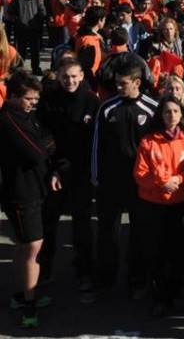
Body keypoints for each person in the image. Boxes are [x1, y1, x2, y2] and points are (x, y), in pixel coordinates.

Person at [90, 60, 159, 299]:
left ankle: (137, 279)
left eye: (123, 83)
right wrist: (96, 177)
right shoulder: (107, 108)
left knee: (139, 231)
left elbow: (159, 147)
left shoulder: (152, 108)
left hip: (140, 182)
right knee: (108, 232)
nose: (118, 87)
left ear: (137, 83)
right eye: (117, 83)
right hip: (111, 181)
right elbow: (97, 145)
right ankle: (105, 279)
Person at [133, 96, 184, 316]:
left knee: (178, 253)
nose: (171, 115)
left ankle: (177, 296)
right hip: (153, 205)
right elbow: (140, 174)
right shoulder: (148, 141)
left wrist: (178, 180)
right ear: (160, 115)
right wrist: (160, 184)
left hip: (180, 204)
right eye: (166, 112)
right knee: (156, 253)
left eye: (175, 111)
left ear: (182, 114)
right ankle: (160, 297)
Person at [36, 57, 100, 294]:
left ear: (82, 76)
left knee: (82, 224)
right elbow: (43, 135)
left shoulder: (92, 102)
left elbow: (92, 142)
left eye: (74, 76)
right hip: (54, 172)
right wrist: (54, 168)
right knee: (48, 223)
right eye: (65, 76)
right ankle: (44, 268)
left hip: (81, 172)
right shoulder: (49, 100)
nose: (69, 81)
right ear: (58, 76)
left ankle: (84, 271)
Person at [0, 72, 56, 328]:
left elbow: (46, 139)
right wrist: (46, 148)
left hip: (31, 189)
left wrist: (46, 146)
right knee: (32, 246)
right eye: (28, 99)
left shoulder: (24, 116)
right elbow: (36, 152)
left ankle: (23, 293)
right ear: (13, 97)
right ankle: (28, 304)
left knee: (25, 247)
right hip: (20, 193)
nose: (32, 103)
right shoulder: (9, 120)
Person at [8, 0, 46, 75]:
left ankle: (36, 68)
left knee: (35, 51)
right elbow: (10, 11)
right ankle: (19, 69)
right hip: (21, 29)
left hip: (34, 29)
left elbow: (42, 11)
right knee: (20, 50)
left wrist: (37, 22)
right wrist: (16, 20)